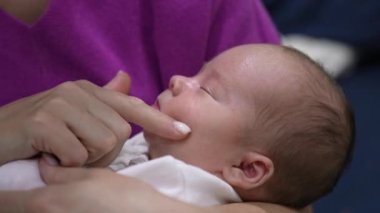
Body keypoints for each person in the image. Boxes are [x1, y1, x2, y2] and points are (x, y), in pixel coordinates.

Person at [0, 0, 310, 212]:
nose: (177, 79)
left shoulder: (182, 183)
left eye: (205, 89)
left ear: (247, 168)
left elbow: (295, 191)